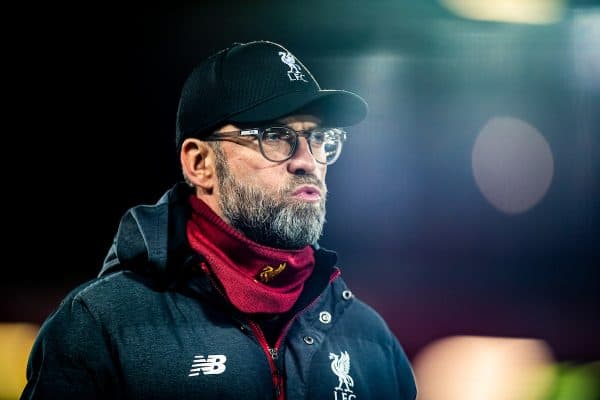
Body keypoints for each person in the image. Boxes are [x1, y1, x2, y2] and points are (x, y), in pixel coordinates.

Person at [22, 40, 416, 400]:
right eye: (275, 135)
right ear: (200, 163)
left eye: (319, 138)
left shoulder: (372, 340)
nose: (307, 161)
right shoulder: (103, 325)